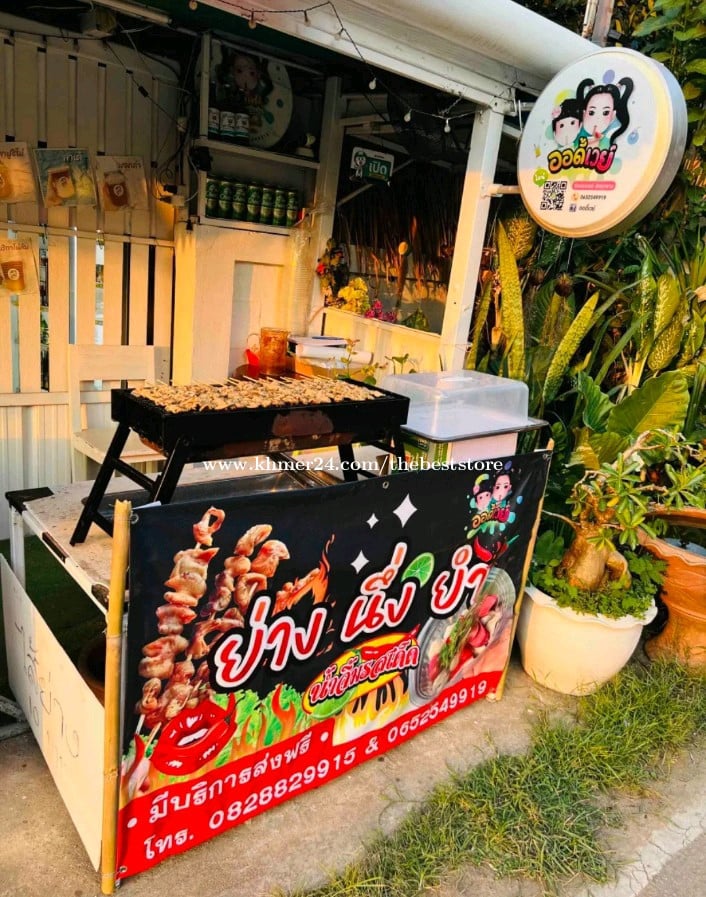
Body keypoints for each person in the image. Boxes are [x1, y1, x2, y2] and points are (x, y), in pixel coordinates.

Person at [575, 77, 633, 149]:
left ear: (613, 115)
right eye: (591, 112)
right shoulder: (575, 136)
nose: (597, 119)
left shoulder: (608, 140)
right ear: (584, 113)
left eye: (605, 113)